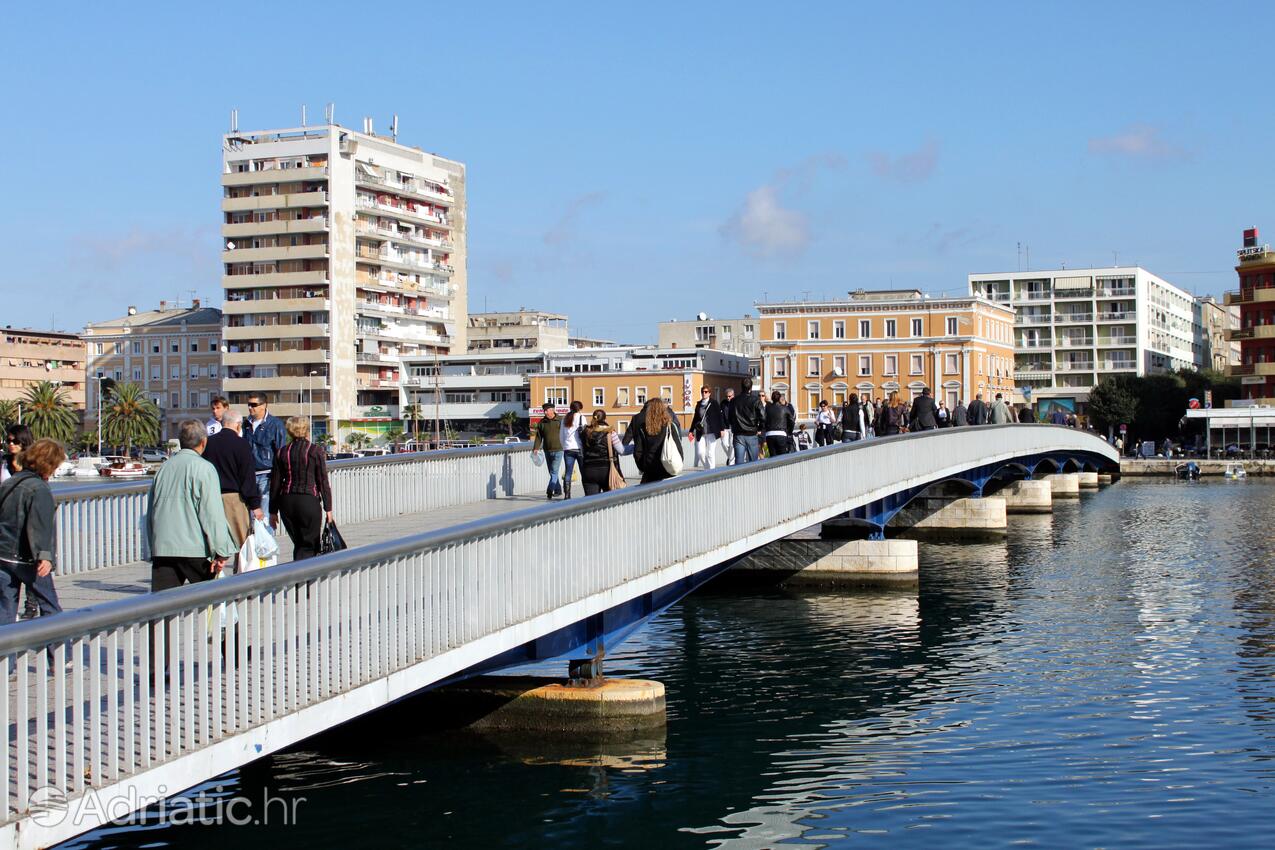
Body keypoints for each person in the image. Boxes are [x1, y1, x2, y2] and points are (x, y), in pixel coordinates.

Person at [146, 419, 237, 593]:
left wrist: (153, 545)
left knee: (161, 609)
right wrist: (221, 551)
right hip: (195, 549)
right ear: (204, 442)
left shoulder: (163, 468)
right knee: (213, 602)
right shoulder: (204, 468)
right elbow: (212, 514)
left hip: (163, 548)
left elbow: (151, 512)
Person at [0, 439, 66, 625]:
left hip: (3, 555)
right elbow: (39, 525)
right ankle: (57, 652)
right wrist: (44, 555)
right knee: (50, 607)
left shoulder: (9, 482)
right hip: (27, 559)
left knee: (5, 609)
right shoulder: (39, 489)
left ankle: (5, 653)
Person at [201, 408, 263, 563]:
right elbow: (247, 477)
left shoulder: (209, 443)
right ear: (238, 425)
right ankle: (241, 578)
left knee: (214, 542)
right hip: (235, 500)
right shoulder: (241, 444)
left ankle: (214, 575)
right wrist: (255, 505)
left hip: (212, 497)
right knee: (242, 544)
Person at [270, 417, 334, 561]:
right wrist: (328, 508)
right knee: (309, 544)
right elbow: (322, 481)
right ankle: (307, 579)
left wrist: (272, 511)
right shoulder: (314, 451)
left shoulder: (282, 452)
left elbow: (275, 483)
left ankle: (299, 576)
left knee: (298, 543)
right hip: (308, 500)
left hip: (287, 501)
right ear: (306, 430)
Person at [244, 393, 286, 517]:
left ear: (264, 405)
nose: (250, 408)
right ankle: (255, 537)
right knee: (251, 516)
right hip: (249, 475)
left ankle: (265, 536)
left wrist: (278, 477)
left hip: (267, 475)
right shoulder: (246, 424)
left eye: (254, 405)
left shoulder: (275, 424)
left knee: (265, 516)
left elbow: (280, 451)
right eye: (249, 405)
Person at [630, 397, 683, 484]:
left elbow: (638, 452)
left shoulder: (643, 428)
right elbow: (678, 447)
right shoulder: (670, 426)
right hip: (668, 468)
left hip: (650, 470)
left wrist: (643, 467)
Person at [579, 409, 625, 495]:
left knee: (591, 501)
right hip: (606, 470)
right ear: (605, 419)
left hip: (589, 470)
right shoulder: (610, 432)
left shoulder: (586, 432)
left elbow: (582, 450)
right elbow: (621, 450)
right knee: (608, 501)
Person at [729, 377, 766, 464]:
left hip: (738, 434)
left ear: (741, 386)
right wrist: (759, 428)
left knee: (739, 463)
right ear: (751, 387)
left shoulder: (734, 401)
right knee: (752, 464)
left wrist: (734, 426)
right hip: (752, 434)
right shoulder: (756, 400)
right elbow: (763, 417)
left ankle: (739, 477)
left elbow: (729, 418)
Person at [532, 402, 565, 499]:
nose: (545, 412)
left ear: (553, 410)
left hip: (559, 449)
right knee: (552, 472)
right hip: (547, 450)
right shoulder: (542, 422)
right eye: (544, 411)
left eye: (547, 410)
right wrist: (536, 448)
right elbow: (538, 437)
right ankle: (558, 490)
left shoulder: (561, 421)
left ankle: (550, 490)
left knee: (554, 471)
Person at [691, 386, 726, 469]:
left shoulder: (714, 403)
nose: (704, 393)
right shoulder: (699, 404)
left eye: (706, 392)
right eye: (703, 391)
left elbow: (719, 416)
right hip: (701, 432)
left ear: (709, 393)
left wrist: (722, 429)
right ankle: (707, 468)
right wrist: (691, 430)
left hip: (712, 431)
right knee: (700, 453)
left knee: (710, 453)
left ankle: (712, 471)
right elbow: (696, 418)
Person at [560, 400, 586, 499]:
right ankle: (587, 492)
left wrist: (564, 446)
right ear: (579, 408)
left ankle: (567, 495)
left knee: (568, 472)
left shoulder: (565, 419)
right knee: (583, 471)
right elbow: (585, 434)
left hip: (568, 449)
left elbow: (561, 435)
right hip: (579, 448)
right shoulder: (581, 418)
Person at [763, 390, 796, 457]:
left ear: (772, 398)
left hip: (769, 434)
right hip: (781, 434)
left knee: (772, 456)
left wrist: (766, 429)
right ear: (779, 398)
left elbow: (763, 419)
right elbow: (792, 421)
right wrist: (789, 432)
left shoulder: (767, 408)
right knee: (782, 457)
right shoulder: (785, 408)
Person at [720, 388, 736, 466]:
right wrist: (721, 429)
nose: (728, 398)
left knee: (732, 445)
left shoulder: (736, 403)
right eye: (727, 396)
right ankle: (730, 457)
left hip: (734, 427)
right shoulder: (723, 403)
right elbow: (721, 416)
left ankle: (731, 462)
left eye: (729, 396)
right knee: (724, 444)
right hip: (725, 427)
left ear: (733, 395)